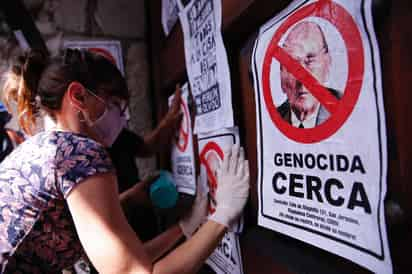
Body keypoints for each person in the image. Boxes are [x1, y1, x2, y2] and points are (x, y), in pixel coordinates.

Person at [0, 48, 249, 273]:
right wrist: (223, 215)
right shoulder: (77, 153)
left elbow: (122, 260)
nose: (122, 118)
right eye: (116, 106)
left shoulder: (37, 148)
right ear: (78, 96)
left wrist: (183, 228)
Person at [277, 21, 341, 128]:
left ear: (327, 64)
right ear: (282, 78)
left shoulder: (344, 108)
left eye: (310, 61)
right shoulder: (274, 121)